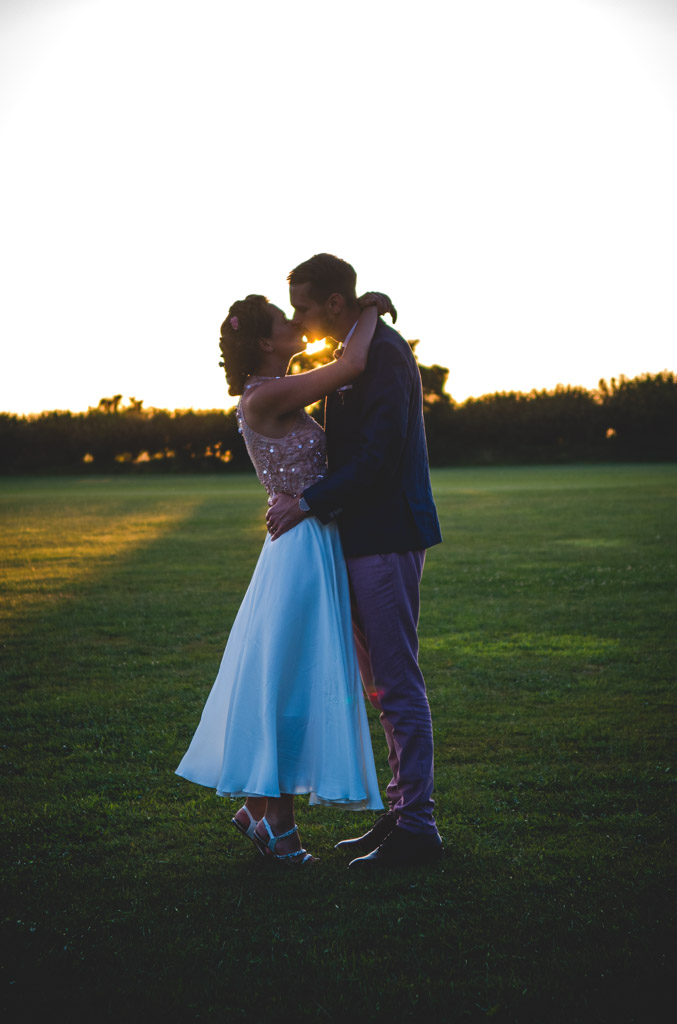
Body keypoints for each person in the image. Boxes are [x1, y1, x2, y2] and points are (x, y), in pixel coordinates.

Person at [176, 292, 389, 866]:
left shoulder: (273, 392)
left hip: (309, 541)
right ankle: (280, 828)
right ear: (267, 343)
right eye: (285, 320)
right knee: (292, 680)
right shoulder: (266, 395)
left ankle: (259, 810)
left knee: (290, 673)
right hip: (298, 550)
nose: (298, 324)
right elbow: (351, 365)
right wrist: (370, 309)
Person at [266, 254, 443, 870]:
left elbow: (378, 455)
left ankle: (419, 829)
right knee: (380, 688)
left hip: (388, 535)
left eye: (304, 307)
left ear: (335, 304)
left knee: (397, 682)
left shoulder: (387, 354)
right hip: (355, 541)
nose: (298, 318)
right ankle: (399, 815)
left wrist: (306, 503)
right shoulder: (349, 352)